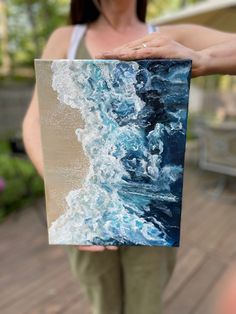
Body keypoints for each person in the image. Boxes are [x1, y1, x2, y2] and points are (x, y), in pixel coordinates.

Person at [22, 1, 236, 313]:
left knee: (145, 305)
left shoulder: (170, 34)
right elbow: (34, 122)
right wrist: (66, 196)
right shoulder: (66, 37)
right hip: (85, 208)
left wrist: (204, 58)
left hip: (151, 210)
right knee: (103, 304)